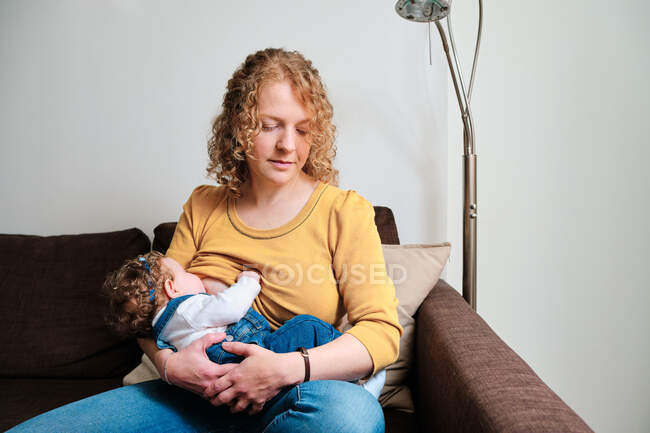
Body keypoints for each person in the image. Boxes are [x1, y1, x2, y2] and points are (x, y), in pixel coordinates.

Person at [9, 47, 401, 433]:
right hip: (193, 396)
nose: (289, 145)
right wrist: (171, 367)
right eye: (270, 126)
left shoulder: (344, 211)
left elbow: (380, 333)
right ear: (239, 125)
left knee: (350, 417)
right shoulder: (203, 204)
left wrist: (284, 368)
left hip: (292, 391)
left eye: (303, 129)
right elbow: (153, 310)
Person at [103, 251, 386, 398]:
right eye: (186, 272)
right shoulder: (188, 309)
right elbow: (229, 306)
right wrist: (248, 280)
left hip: (226, 379)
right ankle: (356, 372)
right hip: (251, 352)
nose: (192, 274)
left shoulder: (162, 329)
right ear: (171, 288)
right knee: (307, 327)